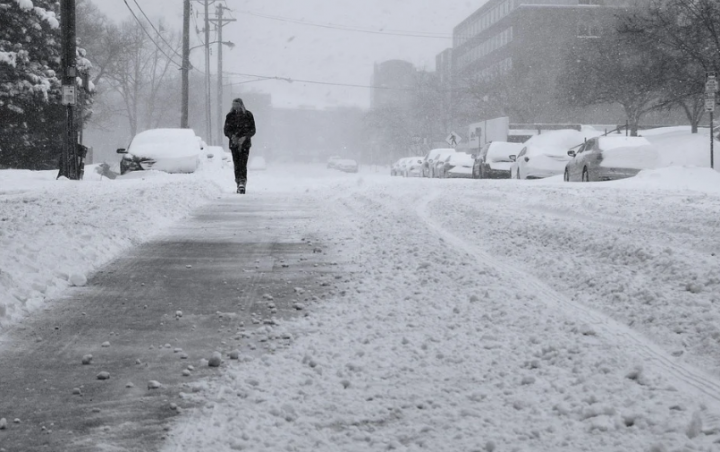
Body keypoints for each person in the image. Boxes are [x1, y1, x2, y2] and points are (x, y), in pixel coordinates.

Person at [223, 98, 256, 194]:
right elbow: (226, 130)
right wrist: (232, 136)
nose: (235, 106)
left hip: (245, 144)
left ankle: (242, 182)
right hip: (234, 144)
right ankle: (238, 181)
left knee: (243, 163)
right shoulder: (230, 116)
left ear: (241, 105)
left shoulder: (248, 115)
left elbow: (253, 130)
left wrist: (245, 137)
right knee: (237, 164)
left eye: (237, 104)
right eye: (234, 104)